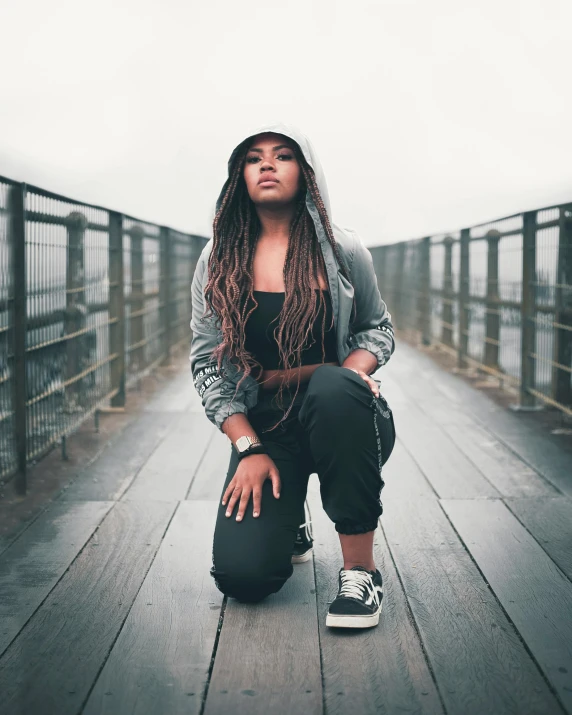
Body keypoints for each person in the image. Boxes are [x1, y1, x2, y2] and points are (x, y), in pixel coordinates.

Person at [190, 123, 396, 629]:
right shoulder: (218, 259)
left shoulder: (344, 250)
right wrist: (248, 449)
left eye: (282, 156)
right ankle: (291, 509)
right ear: (238, 175)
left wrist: (351, 376)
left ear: (305, 173)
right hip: (268, 431)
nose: (266, 165)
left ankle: (361, 572)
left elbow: (378, 329)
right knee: (243, 579)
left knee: (331, 388)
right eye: (254, 157)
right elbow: (208, 366)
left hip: (346, 420)